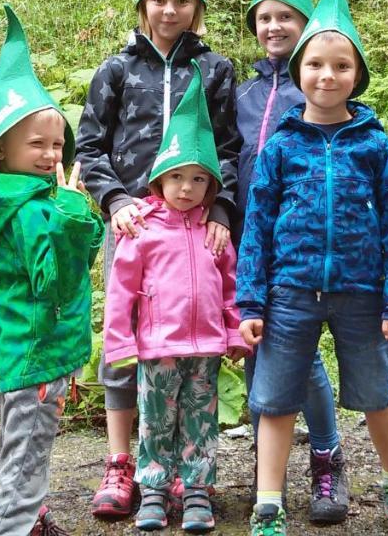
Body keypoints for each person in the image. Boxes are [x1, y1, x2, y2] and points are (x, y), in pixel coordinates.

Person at [237, 0, 388, 535]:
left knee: (377, 394)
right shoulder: (280, 145)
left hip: (361, 292)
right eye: (316, 64)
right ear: (298, 72)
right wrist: (250, 300)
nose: (327, 75)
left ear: (357, 75)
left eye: (340, 65)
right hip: (290, 290)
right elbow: (257, 227)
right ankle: (268, 503)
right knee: (274, 400)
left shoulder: (374, 144)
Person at [76, 0, 242, 520]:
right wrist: (116, 199)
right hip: (136, 227)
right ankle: (125, 465)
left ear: (196, 9)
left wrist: (221, 212)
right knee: (129, 345)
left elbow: (227, 149)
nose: (169, 11)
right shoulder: (117, 71)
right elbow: (89, 147)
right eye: (159, 0)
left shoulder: (217, 70)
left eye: (181, 1)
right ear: (143, 5)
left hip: (200, 232)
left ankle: (184, 474)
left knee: (194, 354)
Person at [0, 5, 105, 536]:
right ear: (2, 148)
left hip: (14, 342)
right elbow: (60, 279)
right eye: (36, 144)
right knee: (24, 464)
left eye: (57, 144)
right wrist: (73, 212)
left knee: (16, 445)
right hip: (39, 352)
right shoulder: (38, 210)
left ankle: (36, 523)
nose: (50, 154)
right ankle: (15, 526)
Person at [234, 0, 348, 524]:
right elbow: (224, 159)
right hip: (252, 244)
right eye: (266, 18)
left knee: (300, 359)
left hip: (304, 247)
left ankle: (327, 459)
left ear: (308, 27)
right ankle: (266, 471)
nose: (275, 27)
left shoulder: (325, 91)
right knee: (263, 356)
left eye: (287, 18)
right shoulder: (243, 93)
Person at [104, 66, 250, 532]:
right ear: (159, 180)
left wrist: (233, 332)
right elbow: (120, 291)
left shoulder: (216, 234)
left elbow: (229, 289)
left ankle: (197, 493)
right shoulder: (142, 230)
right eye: (177, 178)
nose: (187, 188)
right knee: (155, 421)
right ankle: (153, 491)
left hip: (205, 348)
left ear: (211, 186)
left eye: (199, 180)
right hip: (158, 348)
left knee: (201, 423)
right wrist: (120, 344)